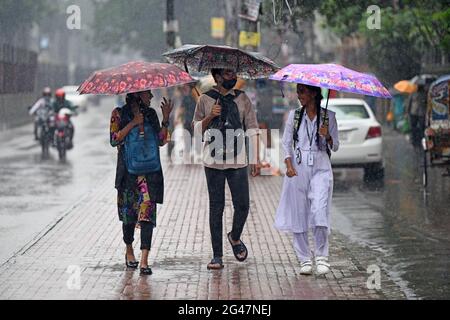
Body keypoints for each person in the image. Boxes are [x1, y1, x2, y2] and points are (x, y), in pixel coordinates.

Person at [193, 68, 261, 270]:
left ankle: (235, 236)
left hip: (238, 159)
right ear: (217, 77)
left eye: (234, 73)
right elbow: (196, 129)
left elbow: (252, 127)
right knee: (216, 207)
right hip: (212, 161)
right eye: (228, 74)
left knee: (242, 205)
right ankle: (217, 256)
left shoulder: (242, 99)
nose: (234, 77)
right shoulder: (204, 99)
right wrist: (209, 117)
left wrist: (255, 157)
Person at [274, 83, 339, 276]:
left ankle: (321, 256)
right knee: (299, 214)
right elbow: (286, 144)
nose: (298, 95)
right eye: (298, 91)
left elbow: (335, 146)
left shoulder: (329, 117)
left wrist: (327, 136)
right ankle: (304, 258)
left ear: (313, 93)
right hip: (298, 168)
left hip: (321, 167)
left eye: (302, 91)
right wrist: (289, 165)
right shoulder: (294, 117)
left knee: (319, 209)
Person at [110, 89, 173, 275]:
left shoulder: (152, 114)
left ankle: (144, 259)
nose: (151, 97)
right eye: (147, 94)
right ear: (137, 95)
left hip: (149, 174)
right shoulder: (118, 114)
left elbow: (161, 141)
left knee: (147, 217)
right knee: (129, 218)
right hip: (128, 175)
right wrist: (133, 123)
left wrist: (165, 119)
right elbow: (114, 140)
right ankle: (129, 249)